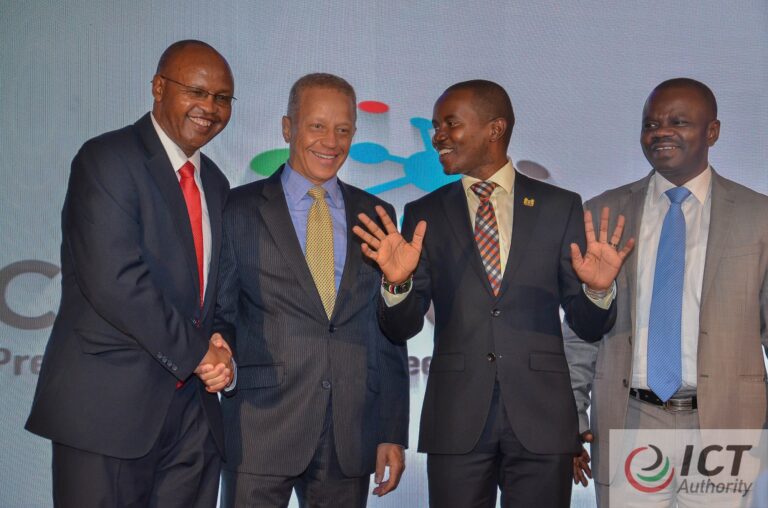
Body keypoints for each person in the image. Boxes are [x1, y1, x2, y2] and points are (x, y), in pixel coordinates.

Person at [353, 79, 632, 508]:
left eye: (450, 124)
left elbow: (588, 324)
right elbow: (401, 326)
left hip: (542, 419)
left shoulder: (560, 206)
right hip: (456, 418)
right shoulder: (425, 213)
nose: (437, 137)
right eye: (434, 126)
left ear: (494, 129)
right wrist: (396, 283)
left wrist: (597, 291)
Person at [25, 40, 235, 507]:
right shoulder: (106, 160)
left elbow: (216, 293)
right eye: (196, 92)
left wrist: (222, 348)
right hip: (108, 412)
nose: (210, 108)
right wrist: (200, 354)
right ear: (159, 87)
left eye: (222, 99)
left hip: (193, 423)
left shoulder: (216, 184)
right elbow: (116, 281)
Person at [566, 78, 768, 506]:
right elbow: (580, 332)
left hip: (725, 425)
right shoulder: (602, 213)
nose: (661, 132)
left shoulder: (759, 217)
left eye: (678, 122)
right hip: (631, 418)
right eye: (650, 123)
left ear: (712, 131)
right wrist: (569, 414)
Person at [215, 73, 409, 508]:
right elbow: (222, 311)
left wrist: (391, 431)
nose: (331, 141)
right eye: (317, 126)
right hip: (260, 427)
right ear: (288, 128)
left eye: (343, 129)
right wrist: (219, 352)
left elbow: (389, 334)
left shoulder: (377, 214)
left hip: (350, 432)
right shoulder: (239, 208)